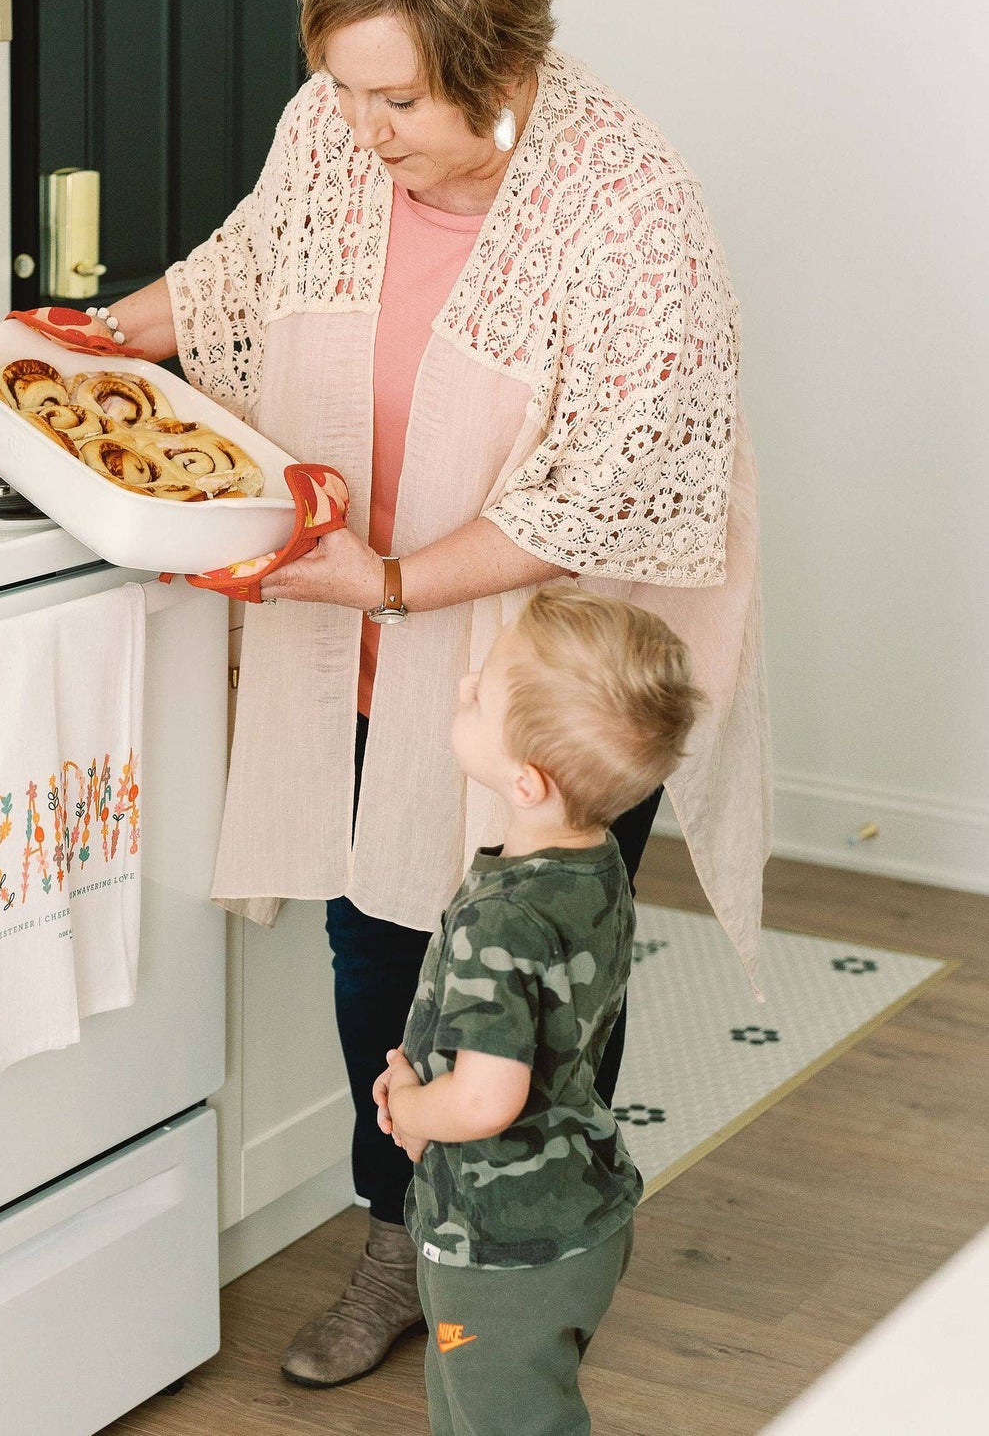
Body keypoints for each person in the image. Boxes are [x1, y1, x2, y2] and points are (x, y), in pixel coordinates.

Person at [71, 0, 769, 1385]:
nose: (360, 126)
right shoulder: (332, 135)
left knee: (540, 973)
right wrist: (92, 341)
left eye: (395, 100)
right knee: (380, 939)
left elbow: (610, 490)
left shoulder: (628, 202)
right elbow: (242, 268)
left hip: (559, 668)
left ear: (500, 68)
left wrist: (389, 577)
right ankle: (398, 1234)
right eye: (342, 86)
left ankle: (531, 1255)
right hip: (375, 624)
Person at [374, 584, 704, 1434]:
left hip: (502, 1242)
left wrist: (411, 1106)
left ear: (526, 781)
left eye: (480, 691)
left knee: (502, 1417)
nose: (463, 686)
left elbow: (486, 1099)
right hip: (574, 1205)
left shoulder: (504, 917)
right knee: (478, 1407)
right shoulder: (594, 866)